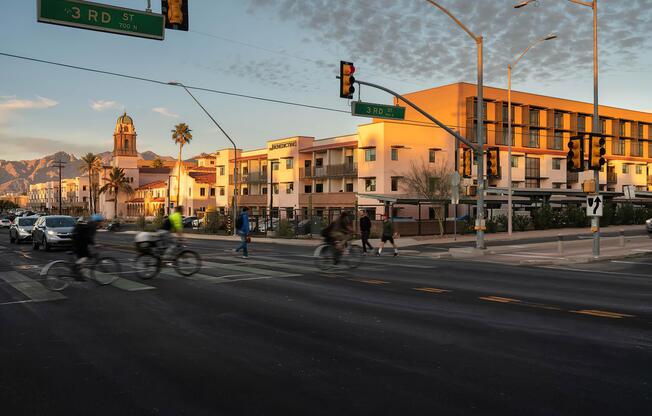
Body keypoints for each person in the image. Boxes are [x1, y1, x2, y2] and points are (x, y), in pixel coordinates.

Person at [72, 214, 104, 280]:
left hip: (76, 239)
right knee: (86, 256)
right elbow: (89, 237)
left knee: (81, 258)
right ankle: (75, 266)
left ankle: (79, 276)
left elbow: (90, 237)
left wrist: (95, 244)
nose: (102, 222)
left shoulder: (89, 224)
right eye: (101, 221)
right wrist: (95, 245)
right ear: (97, 221)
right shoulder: (92, 226)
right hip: (80, 241)